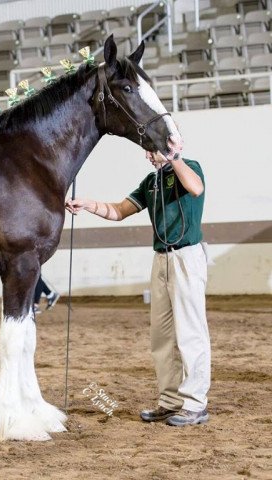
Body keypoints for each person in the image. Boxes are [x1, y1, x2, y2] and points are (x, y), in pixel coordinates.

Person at [65, 150, 210, 427]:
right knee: (162, 335)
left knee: (191, 333)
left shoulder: (190, 168)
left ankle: (195, 404)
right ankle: (170, 402)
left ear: (167, 146)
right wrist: (88, 205)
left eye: (152, 149)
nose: (147, 155)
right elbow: (119, 210)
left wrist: (173, 157)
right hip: (161, 259)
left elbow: (195, 188)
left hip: (187, 257)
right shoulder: (150, 182)